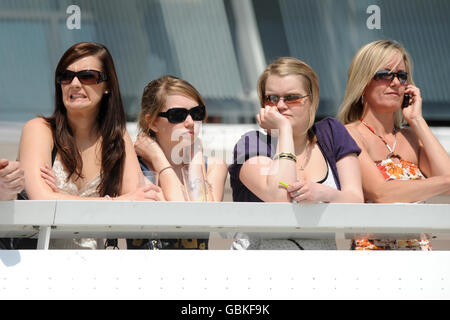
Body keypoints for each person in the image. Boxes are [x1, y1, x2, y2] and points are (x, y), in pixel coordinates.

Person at [18, 42, 160, 249]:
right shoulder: (39, 129)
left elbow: (138, 202)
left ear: (107, 86)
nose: (74, 83)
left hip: (95, 269)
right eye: (66, 77)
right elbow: (41, 199)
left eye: (87, 76)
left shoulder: (117, 137)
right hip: (40, 263)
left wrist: (61, 197)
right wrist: (116, 203)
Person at [228, 57, 363, 250]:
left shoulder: (332, 134)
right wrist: (284, 130)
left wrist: (323, 193)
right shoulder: (252, 143)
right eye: (272, 99)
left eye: (292, 98)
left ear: (313, 98)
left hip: (319, 271)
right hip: (257, 268)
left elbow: (356, 202)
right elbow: (280, 198)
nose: (281, 106)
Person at [337, 39, 450, 250]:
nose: (396, 83)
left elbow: (448, 184)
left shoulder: (411, 137)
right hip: (374, 258)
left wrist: (417, 120)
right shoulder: (348, 134)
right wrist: (444, 182)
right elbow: (382, 193)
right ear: (363, 83)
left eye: (401, 75)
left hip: (419, 255)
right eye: (384, 74)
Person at [130, 75, 228, 249]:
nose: (190, 122)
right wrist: (158, 159)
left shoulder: (214, 166)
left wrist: (195, 156)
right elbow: (180, 214)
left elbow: (203, 219)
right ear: (152, 122)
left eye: (196, 113)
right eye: (178, 115)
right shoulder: (135, 167)